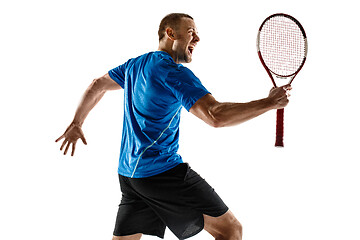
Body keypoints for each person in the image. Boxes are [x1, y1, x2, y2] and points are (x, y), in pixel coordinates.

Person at [56, 13, 291, 240]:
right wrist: (269, 103)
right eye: (191, 32)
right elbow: (214, 116)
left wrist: (77, 123)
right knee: (230, 231)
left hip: (129, 175)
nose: (197, 39)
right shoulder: (173, 74)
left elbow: (97, 85)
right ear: (170, 33)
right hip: (161, 173)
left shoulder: (136, 65)